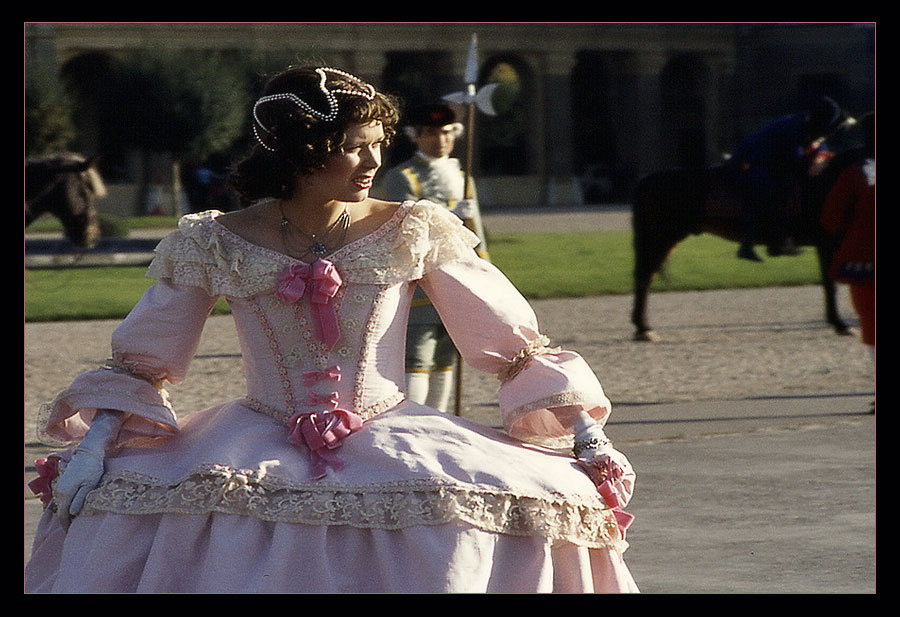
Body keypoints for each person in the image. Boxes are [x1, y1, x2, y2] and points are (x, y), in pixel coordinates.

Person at [25, 66, 639, 593]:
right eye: (354, 145)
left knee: (526, 506)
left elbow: (509, 340)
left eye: (379, 142)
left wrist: (586, 435)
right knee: (145, 513)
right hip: (253, 439)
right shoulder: (214, 240)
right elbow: (144, 358)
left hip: (395, 432)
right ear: (302, 149)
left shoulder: (413, 226)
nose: (375, 161)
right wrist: (94, 445)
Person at [376, 102, 489, 412]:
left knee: (445, 357)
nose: (439, 140)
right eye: (431, 134)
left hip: (461, 279)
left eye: (445, 133)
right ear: (417, 136)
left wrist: (485, 271)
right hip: (423, 280)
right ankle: (415, 420)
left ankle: (439, 421)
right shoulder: (404, 177)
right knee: (418, 355)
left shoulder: (462, 174)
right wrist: (451, 215)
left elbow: (478, 231)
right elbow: (404, 225)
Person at [732, 96, 847, 261]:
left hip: (772, 161)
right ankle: (747, 244)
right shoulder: (793, 127)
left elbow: (819, 147)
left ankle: (779, 241)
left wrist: (820, 158)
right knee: (765, 188)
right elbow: (796, 159)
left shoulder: (806, 123)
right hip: (750, 160)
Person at [820, 113, 875, 395]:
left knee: (871, 322)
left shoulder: (853, 172)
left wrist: (849, 234)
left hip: (863, 260)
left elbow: (831, 216)